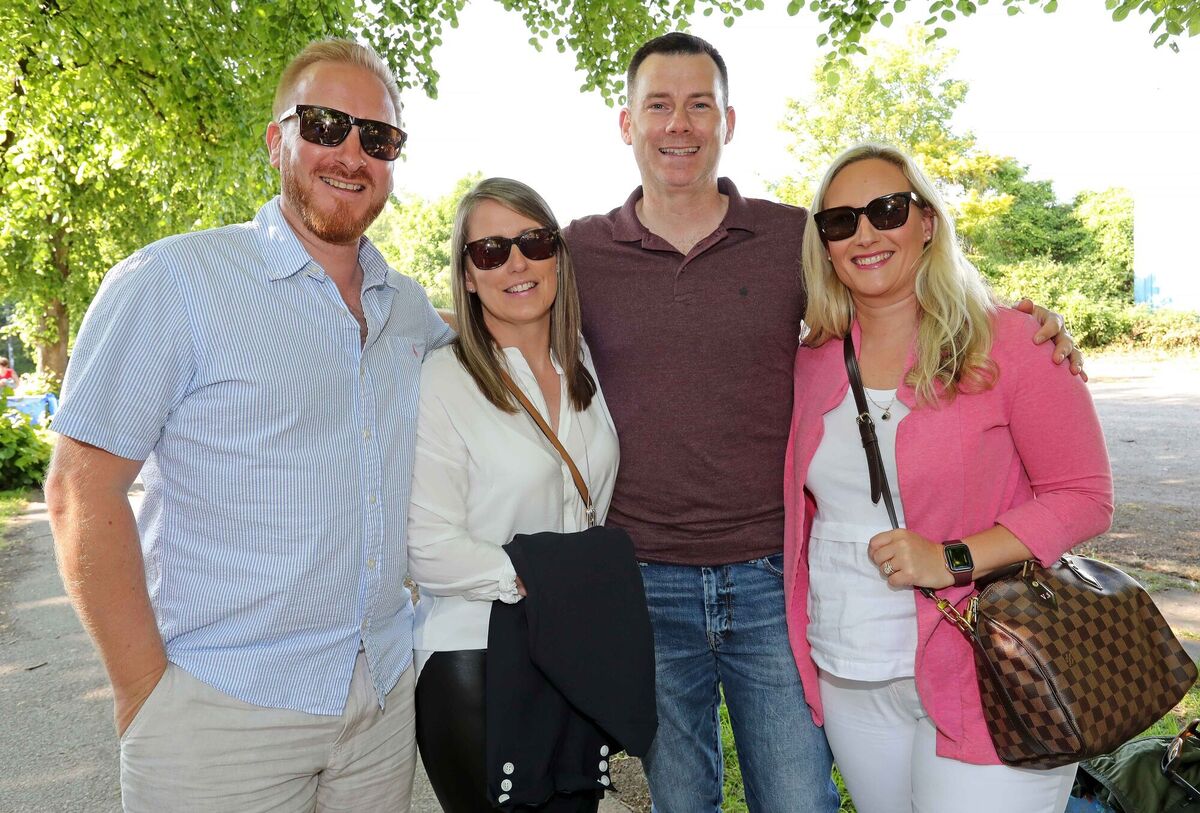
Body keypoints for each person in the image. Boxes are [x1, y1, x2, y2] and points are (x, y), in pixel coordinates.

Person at [562, 32, 1083, 813]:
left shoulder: (791, 237)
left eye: (699, 104)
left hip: (773, 581)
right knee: (679, 796)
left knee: (799, 797)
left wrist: (1025, 322)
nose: (679, 124)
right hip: (646, 577)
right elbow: (503, 310)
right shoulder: (580, 251)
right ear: (625, 122)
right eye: (659, 105)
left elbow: (899, 285)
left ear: (727, 120)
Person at [44, 38, 451, 811]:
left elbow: (502, 349)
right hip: (219, 715)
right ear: (277, 140)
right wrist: (143, 695)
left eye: (379, 137)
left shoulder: (408, 312)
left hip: (380, 703)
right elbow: (78, 489)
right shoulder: (174, 281)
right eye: (327, 124)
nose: (352, 153)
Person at [782, 143, 1114, 813]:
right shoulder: (808, 358)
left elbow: (1084, 496)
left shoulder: (1009, 340)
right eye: (840, 221)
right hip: (851, 662)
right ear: (824, 244)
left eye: (887, 210)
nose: (866, 233)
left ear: (927, 221)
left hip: (988, 660)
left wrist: (950, 558)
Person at [406, 177, 620, 812]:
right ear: (468, 276)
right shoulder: (445, 381)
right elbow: (426, 547)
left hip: (571, 656)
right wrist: (547, 579)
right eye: (491, 251)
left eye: (534, 241)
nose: (517, 263)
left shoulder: (584, 362)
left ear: (558, 255)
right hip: (476, 662)